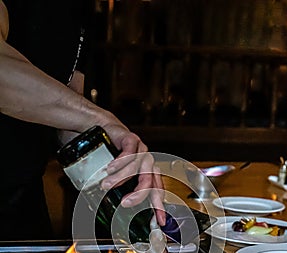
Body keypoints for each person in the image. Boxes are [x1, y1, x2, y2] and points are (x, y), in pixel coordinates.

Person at [0, 0, 165, 240]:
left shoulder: (81, 10)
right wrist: (101, 119)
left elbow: (67, 118)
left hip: (24, 204)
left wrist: (120, 167)